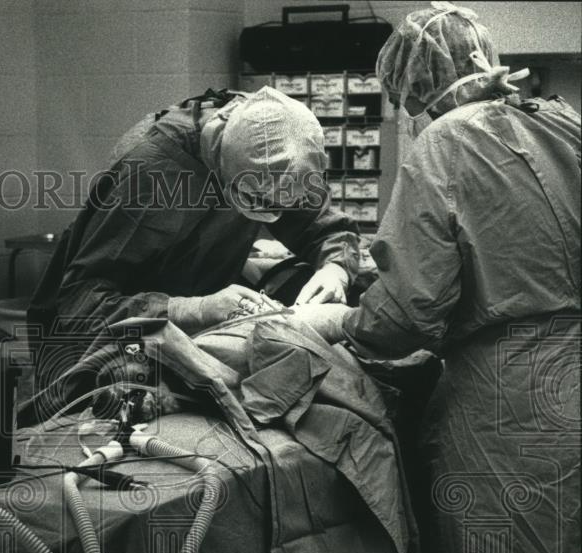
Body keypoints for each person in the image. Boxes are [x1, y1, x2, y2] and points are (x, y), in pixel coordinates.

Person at [294, 2, 581, 553]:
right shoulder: (567, 124)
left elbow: (406, 317)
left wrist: (336, 322)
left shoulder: (445, 146)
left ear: (415, 89)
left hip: (509, 411)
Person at [27, 87, 361, 380]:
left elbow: (319, 223)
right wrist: (196, 309)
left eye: (283, 202)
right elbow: (79, 306)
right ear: (224, 166)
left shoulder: (274, 135)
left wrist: (335, 267)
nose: (272, 213)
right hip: (99, 346)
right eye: (258, 200)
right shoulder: (152, 172)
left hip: (196, 334)